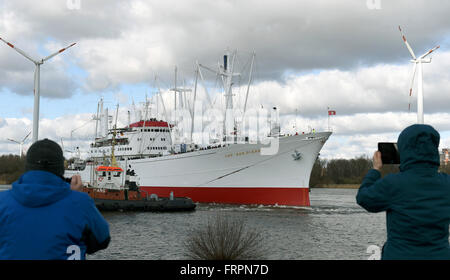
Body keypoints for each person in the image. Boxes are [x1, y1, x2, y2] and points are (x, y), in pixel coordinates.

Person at [0, 138, 110, 260]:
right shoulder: (81, 203)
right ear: (60, 169)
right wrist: (75, 198)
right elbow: (102, 241)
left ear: (27, 167)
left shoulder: (2, 202)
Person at [357, 124, 450, 260]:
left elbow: (364, 198)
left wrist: (375, 170)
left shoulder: (393, 183)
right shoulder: (446, 183)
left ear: (404, 151)